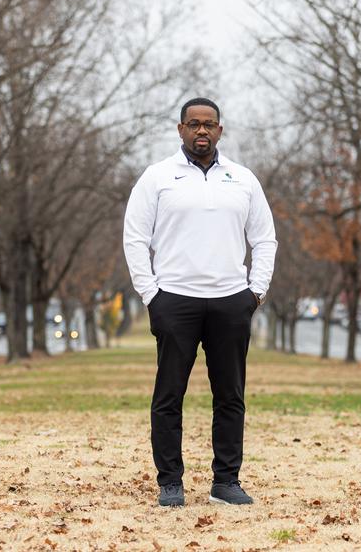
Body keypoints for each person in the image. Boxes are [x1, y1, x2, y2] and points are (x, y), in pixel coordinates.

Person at [123, 97, 277, 507]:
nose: (201, 131)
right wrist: (151, 295)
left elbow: (264, 238)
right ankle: (170, 482)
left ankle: (226, 482)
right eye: (194, 124)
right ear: (180, 130)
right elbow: (135, 238)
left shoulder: (243, 179)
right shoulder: (157, 178)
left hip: (230, 301)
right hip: (174, 299)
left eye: (209, 124)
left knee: (230, 396)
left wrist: (255, 292)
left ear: (220, 130)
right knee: (169, 396)